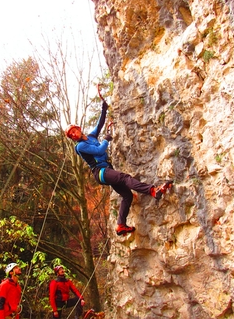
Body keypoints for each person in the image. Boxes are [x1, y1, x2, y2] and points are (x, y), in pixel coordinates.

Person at [65, 99, 173, 236]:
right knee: (124, 177)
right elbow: (99, 151)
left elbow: (100, 124)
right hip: (100, 172)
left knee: (127, 195)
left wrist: (104, 109)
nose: (74, 135)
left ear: (78, 128)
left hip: (105, 171)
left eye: (74, 131)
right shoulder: (80, 146)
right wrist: (106, 140)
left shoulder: (91, 136)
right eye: (71, 135)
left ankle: (120, 225)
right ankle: (152, 190)